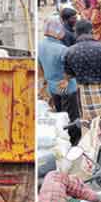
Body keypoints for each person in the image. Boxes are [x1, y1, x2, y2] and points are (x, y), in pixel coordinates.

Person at [38, 16, 80, 145]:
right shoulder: (62, 49)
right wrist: (67, 79)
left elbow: (40, 68)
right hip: (67, 87)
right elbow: (72, 68)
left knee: (60, 114)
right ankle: (74, 142)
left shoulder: (41, 45)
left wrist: (45, 82)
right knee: (71, 117)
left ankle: (63, 141)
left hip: (52, 87)